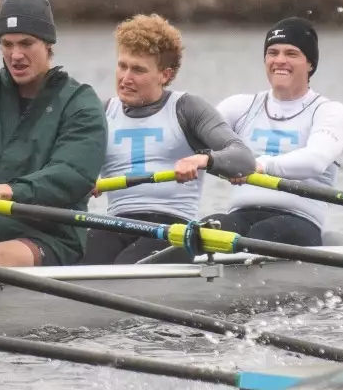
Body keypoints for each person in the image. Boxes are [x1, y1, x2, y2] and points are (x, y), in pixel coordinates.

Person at [0, 0, 108, 268]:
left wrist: (7, 191)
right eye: (7, 44)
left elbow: (73, 174)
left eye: (26, 43)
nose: (16, 55)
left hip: (49, 232)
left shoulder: (79, 103)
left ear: (48, 44)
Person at [82, 14, 256, 265]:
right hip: (116, 222)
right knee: (78, 262)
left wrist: (202, 160)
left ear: (165, 74)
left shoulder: (187, 109)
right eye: (122, 66)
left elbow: (244, 159)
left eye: (138, 70)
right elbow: (72, 168)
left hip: (171, 227)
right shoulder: (101, 112)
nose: (125, 78)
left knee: (126, 267)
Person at [207, 18, 343, 246]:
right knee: (207, 229)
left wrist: (259, 166)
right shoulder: (239, 107)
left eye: (291, 54)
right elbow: (193, 140)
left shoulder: (329, 111)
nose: (279, 60)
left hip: (300, 220)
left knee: (262, 235)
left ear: (310, 63)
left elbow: (314, 161)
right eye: (272, 53)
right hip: (242, 215)